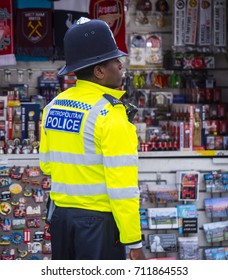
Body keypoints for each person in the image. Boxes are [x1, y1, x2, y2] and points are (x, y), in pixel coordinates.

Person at [39, 17, 145, 260]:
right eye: (115, 61)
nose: (121, 66)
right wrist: (134, 242)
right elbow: (123, 189)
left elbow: (46, 164)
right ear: (99, 71)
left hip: (61, 219)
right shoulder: (111, 115)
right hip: (97, 225)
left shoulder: (54, 105)